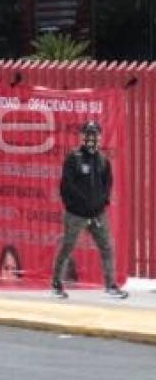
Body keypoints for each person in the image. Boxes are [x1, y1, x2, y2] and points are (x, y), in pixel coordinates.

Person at [51, 121, 128, 300]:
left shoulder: (103, 161)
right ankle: (56, 283)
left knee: (107, 247)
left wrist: (101, 204)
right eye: (89, 134)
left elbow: (108, 185)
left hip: (97, 214)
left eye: (95, 135)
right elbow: (66, 187)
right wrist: (76, 206)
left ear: (100, 137)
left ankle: (110, 285)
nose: (92, 138)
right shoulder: (73, 158)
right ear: (83, 137)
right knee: (67, 247)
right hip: (76, 214)